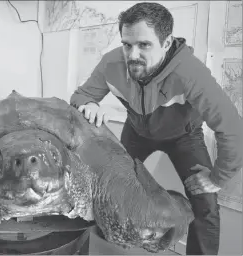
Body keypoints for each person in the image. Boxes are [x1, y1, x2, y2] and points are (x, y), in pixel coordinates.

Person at [70, 2, 243, 255]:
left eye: (144, 45)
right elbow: (82, 95)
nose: (132, 55)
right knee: (106, 185)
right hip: (137, 132)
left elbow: (232, 128)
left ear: (166, 42)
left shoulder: (191, 73)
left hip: (184, 136)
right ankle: (108, 244)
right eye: (127, 44)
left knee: (205, 205)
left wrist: (218, 178)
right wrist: (88, 104)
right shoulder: (111, 64)